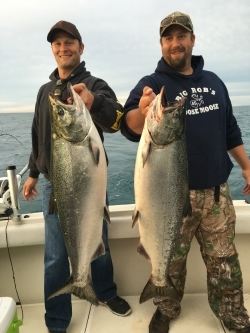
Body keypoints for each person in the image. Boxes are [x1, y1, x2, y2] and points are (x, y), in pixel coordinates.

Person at [120, 11, 250, 333]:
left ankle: (233, 316)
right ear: (161, 44)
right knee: (170, 263)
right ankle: (166, 307)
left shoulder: (215, 82)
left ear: (192, 39)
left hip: (217, 196)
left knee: (225, 263)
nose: (175, 43)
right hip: (172, 197)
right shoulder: (152, 84)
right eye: (168, 38)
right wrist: (144, 110)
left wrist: (247, 166)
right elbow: (129, 126)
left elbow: (230, 130)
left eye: (181, 36)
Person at [23, 20, 131, 333]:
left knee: (99, 243)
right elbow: (38, 136)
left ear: (80, 48)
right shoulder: (45, 92)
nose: (63, 48)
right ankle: (57, 319)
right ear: (52, 50)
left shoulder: (95, 84)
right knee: (56, 255)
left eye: (69, 42)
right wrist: (32, 174)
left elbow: (117, 121)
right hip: (54, 184)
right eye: (57, 44)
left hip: (89, 182)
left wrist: (93, 102)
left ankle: (106, 292)